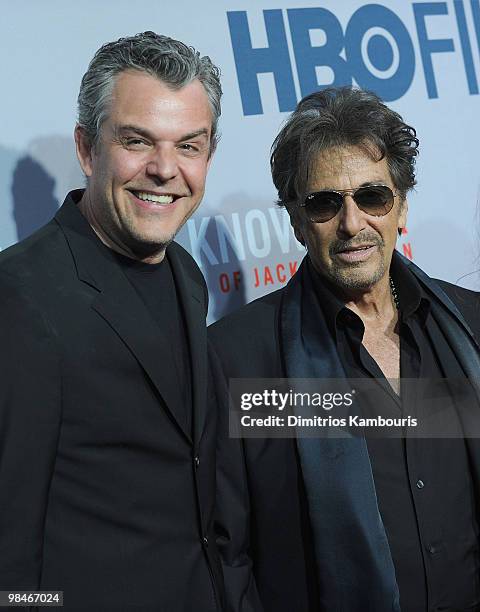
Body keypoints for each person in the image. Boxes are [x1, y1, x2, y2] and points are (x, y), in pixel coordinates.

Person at [210, 87, 480, 612]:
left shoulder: (472, 325)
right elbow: (229, 558)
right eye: (325, 203)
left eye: (372, 196)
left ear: (401, 205)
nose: (353, 224)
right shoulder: (238, 359)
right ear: (295, 219)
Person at [0, 32, 224, 611]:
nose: (164, 170)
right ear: (86, 148)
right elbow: (9, 529)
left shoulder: (186, 273)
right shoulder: (20, 295)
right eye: (137, 141)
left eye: (189, 146)